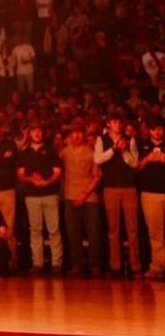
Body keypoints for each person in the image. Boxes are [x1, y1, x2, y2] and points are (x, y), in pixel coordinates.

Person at [95, 117, 140, 277]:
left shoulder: (130, 139)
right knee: (113, 230)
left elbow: (135, 164)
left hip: (129, 187)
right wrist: (113, 150)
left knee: (132, 229)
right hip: (111, 187)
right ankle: (115, 266)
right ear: (109, 124)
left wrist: (124, 151)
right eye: (114, 122)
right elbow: (97, 159)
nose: (118, 124)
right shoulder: (102, 139)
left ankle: (136, 266)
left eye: (120, 122)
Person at [18, 123, 63, 275]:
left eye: (39, 130)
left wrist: (47, 181)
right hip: (32, 195)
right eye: (33, 131)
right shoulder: (25, 153)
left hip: (50, 194)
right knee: (35, 230)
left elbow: (57, 173)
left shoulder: (51, 150)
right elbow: (21, 174)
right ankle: (37, 263)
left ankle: (57, 263)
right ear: (29, 133)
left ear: (42, 133)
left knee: (54, 229)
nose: (36, 133)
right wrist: (32, 179)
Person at [59, 125, 103, 276]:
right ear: (70, 136)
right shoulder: (64, 153)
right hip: (70, 195)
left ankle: (95, 264)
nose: (76, 136)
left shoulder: (91, 153)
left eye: (79, 133)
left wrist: (84, 194)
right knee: (72, 233)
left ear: (84, 135)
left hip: (89, 196)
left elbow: (97, 176)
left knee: (93, 232)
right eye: (73, 133)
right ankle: (76, 264)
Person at [137, 118, 165, 280]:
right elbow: (135, 167)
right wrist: (148, 159)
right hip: (149, 193)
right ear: (148, 130)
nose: (158, 132)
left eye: (160, 129)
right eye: (154, 129)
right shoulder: (141, 144)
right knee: (155, 233)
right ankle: (157, 266)